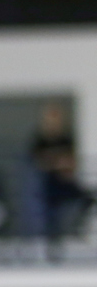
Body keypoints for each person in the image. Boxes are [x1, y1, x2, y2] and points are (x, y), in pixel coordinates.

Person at [29, 101, 93, 247]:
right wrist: (56, 162)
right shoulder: (40, 140)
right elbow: (38, 163)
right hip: (47, 184)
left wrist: (57, 162)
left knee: (87, 199)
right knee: (51, 214)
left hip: (65, 181)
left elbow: (70, 162)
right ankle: (52, 241)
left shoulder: (66, 139)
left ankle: (76, 229)